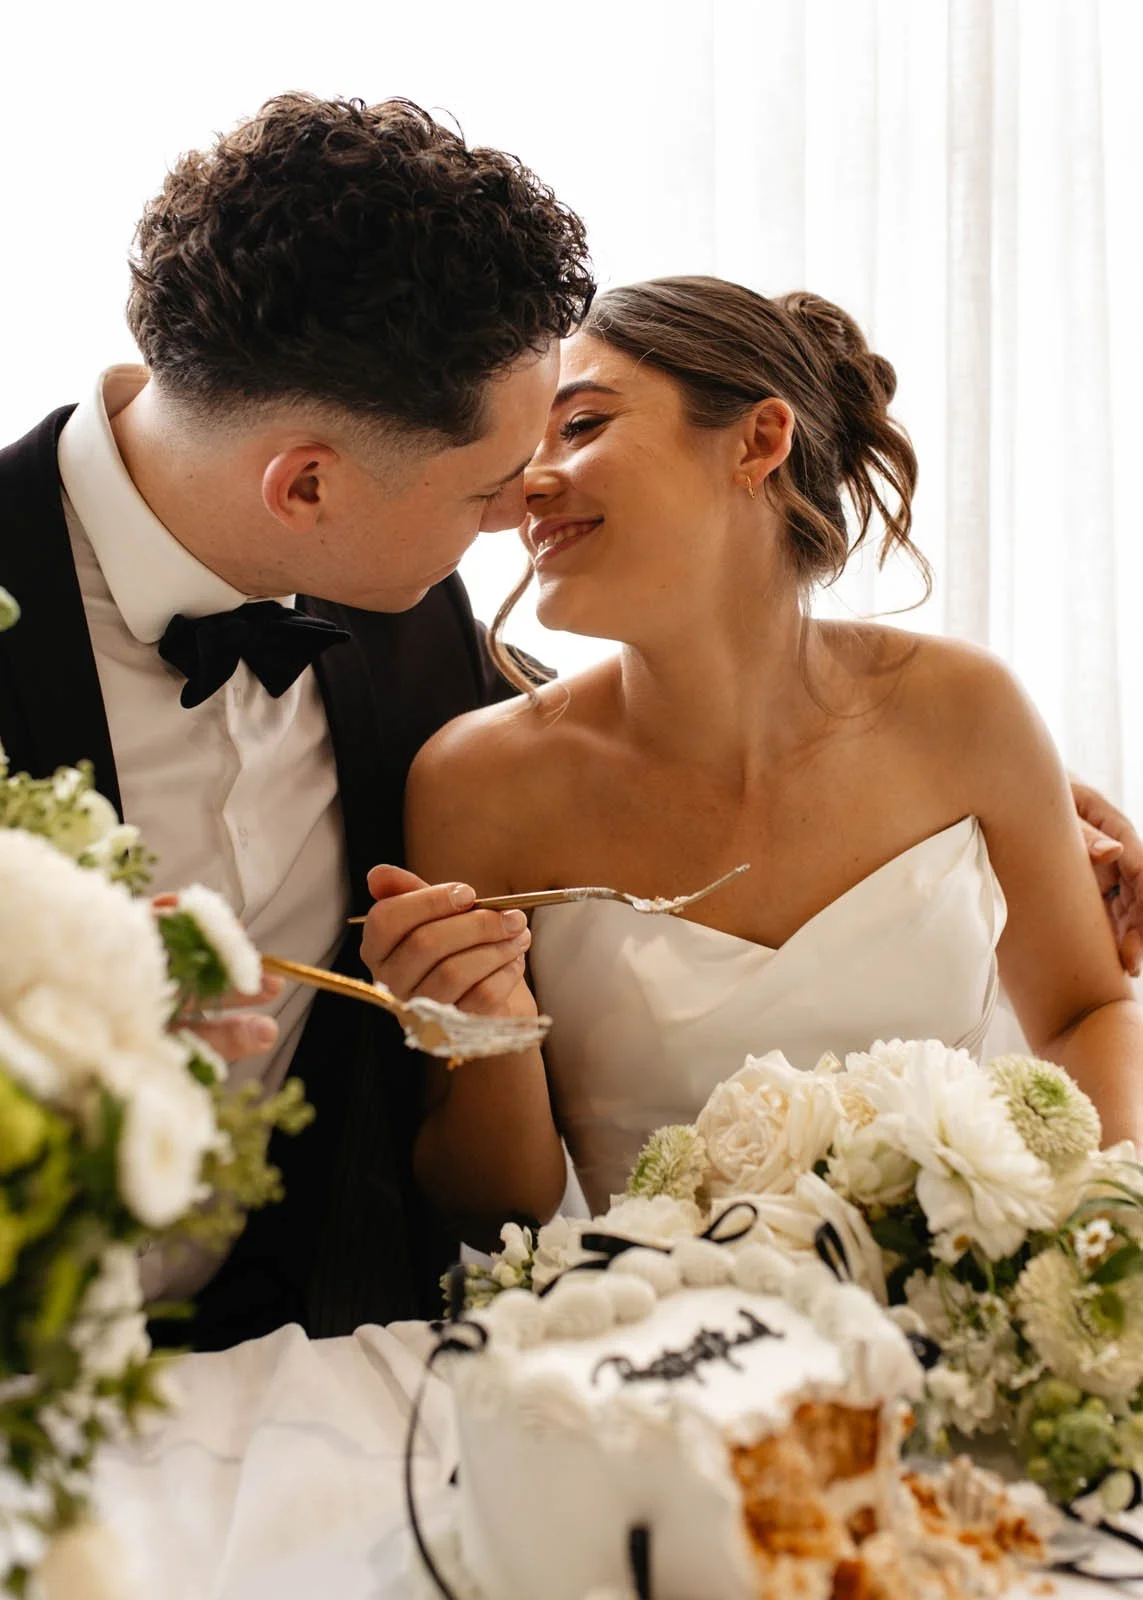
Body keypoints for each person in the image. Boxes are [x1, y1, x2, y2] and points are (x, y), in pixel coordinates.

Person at [0, 93, 594, 1347]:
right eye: (488, 488)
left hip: (285, 1364)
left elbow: (581, 739)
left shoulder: (407, 599)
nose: (515, 518)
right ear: (307, 483)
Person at [398, 276, 1143, 1229]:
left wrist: (1095, 1220)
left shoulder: (965, 709)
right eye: (521, 452)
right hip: (638, 1327)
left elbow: (1087, 1012)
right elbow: (492, 1202)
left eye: (579, 427)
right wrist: (485, 1029)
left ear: (757, 441)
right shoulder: (478, 782)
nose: (527, 486)